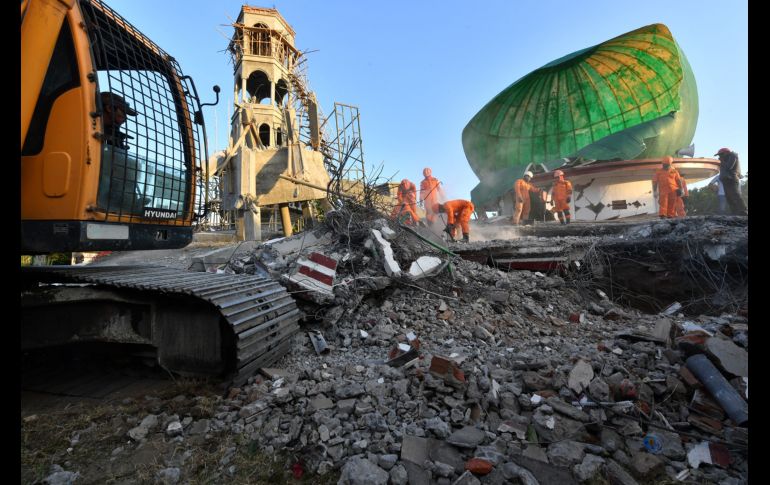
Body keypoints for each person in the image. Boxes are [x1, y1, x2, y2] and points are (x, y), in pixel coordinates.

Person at [714, 148, 748, 216]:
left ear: (726, 153)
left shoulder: (733, 156)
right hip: (726, 180)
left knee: (736, 195)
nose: (720, 157)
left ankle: (744, 211)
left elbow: (729, 167)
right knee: (729, 197)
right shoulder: (725, 159)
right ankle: (734, 212)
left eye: (721, 155)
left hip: (732, 179)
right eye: (719, 155)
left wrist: (721, 161)